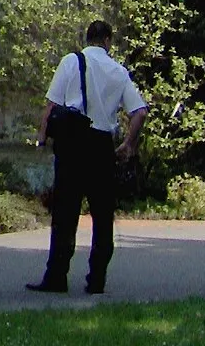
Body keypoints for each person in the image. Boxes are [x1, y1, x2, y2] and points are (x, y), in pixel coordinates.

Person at [27, 18, 148, 295]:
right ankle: (96, 279)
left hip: (72, 146)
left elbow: (51, 106)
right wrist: (128, 144)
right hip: (101, 147)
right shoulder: (118, 71)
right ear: (108, 41)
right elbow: (139, 112)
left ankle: (57, 276)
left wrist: (41, 140)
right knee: (103, 215)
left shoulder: (71, 61)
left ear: (87, 38)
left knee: (65, 214)